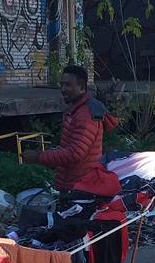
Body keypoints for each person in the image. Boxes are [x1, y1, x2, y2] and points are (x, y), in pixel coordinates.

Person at [21, 65, 119, 198]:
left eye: (68, 85)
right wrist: (52, 153)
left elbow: (75, 153)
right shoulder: (74, 109)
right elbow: (70, 148)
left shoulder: (85, 115)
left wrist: (38, 157)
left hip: (81, 188)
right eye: (62, 85)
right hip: (72, 185)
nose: (63, 89)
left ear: (82, 88)